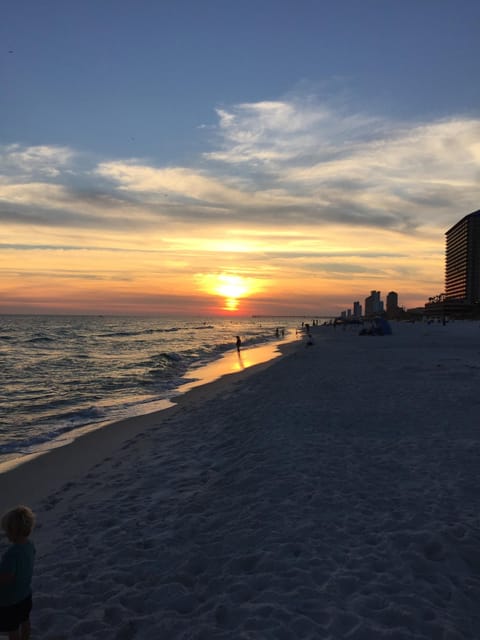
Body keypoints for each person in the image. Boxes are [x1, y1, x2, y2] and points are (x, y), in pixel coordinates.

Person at [0, 506, 36, 640]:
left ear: (13, 532)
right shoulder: (30, 545)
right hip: (26, 595)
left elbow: (5, 578)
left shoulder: (11, 554)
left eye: (7, 531)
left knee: (13, 629)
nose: (6, 534)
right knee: (25, 621)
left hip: (10, 602)